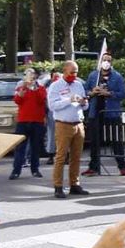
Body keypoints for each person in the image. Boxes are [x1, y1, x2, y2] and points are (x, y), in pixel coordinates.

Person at [46, 60, 89, 199]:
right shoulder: (55, 86)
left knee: (76, 157)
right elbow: (52, 106)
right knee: (61, 157)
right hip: (63, 124)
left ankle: (74, 184)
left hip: (78, 123)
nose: (74, 75)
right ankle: (58, 186)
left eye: (76, 72)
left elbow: (85, 106)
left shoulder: (78, 85)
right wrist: (69, 100)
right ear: (65, 71)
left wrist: (84, 102)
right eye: (72, 72)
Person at [83, 53, 125, 177]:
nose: (106, 62)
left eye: (108, 60)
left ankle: (122, 166)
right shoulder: (93, 76)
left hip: (111, 113)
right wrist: (92, 92)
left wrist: (109, 93)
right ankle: (93, 167)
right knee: (94, 142)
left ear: (111, 62)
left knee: (116, 141)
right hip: (95, 112)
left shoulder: (117, 77)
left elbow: (123, 93)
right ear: (100, 61)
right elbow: (85, 90)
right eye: (104, 60)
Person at [9, 67, 47, 181]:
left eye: (31, 73)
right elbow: (16, 100)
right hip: (23, 121)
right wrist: (22, 91)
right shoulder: (21, 87)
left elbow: (42, 99)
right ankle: (16, 171)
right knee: (20, 147)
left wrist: (34, 87)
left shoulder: (41, 88)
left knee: (35, 148)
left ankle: (35, 169)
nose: (29, 76)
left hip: (37, 121)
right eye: (27, 73)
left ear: (36, 76)